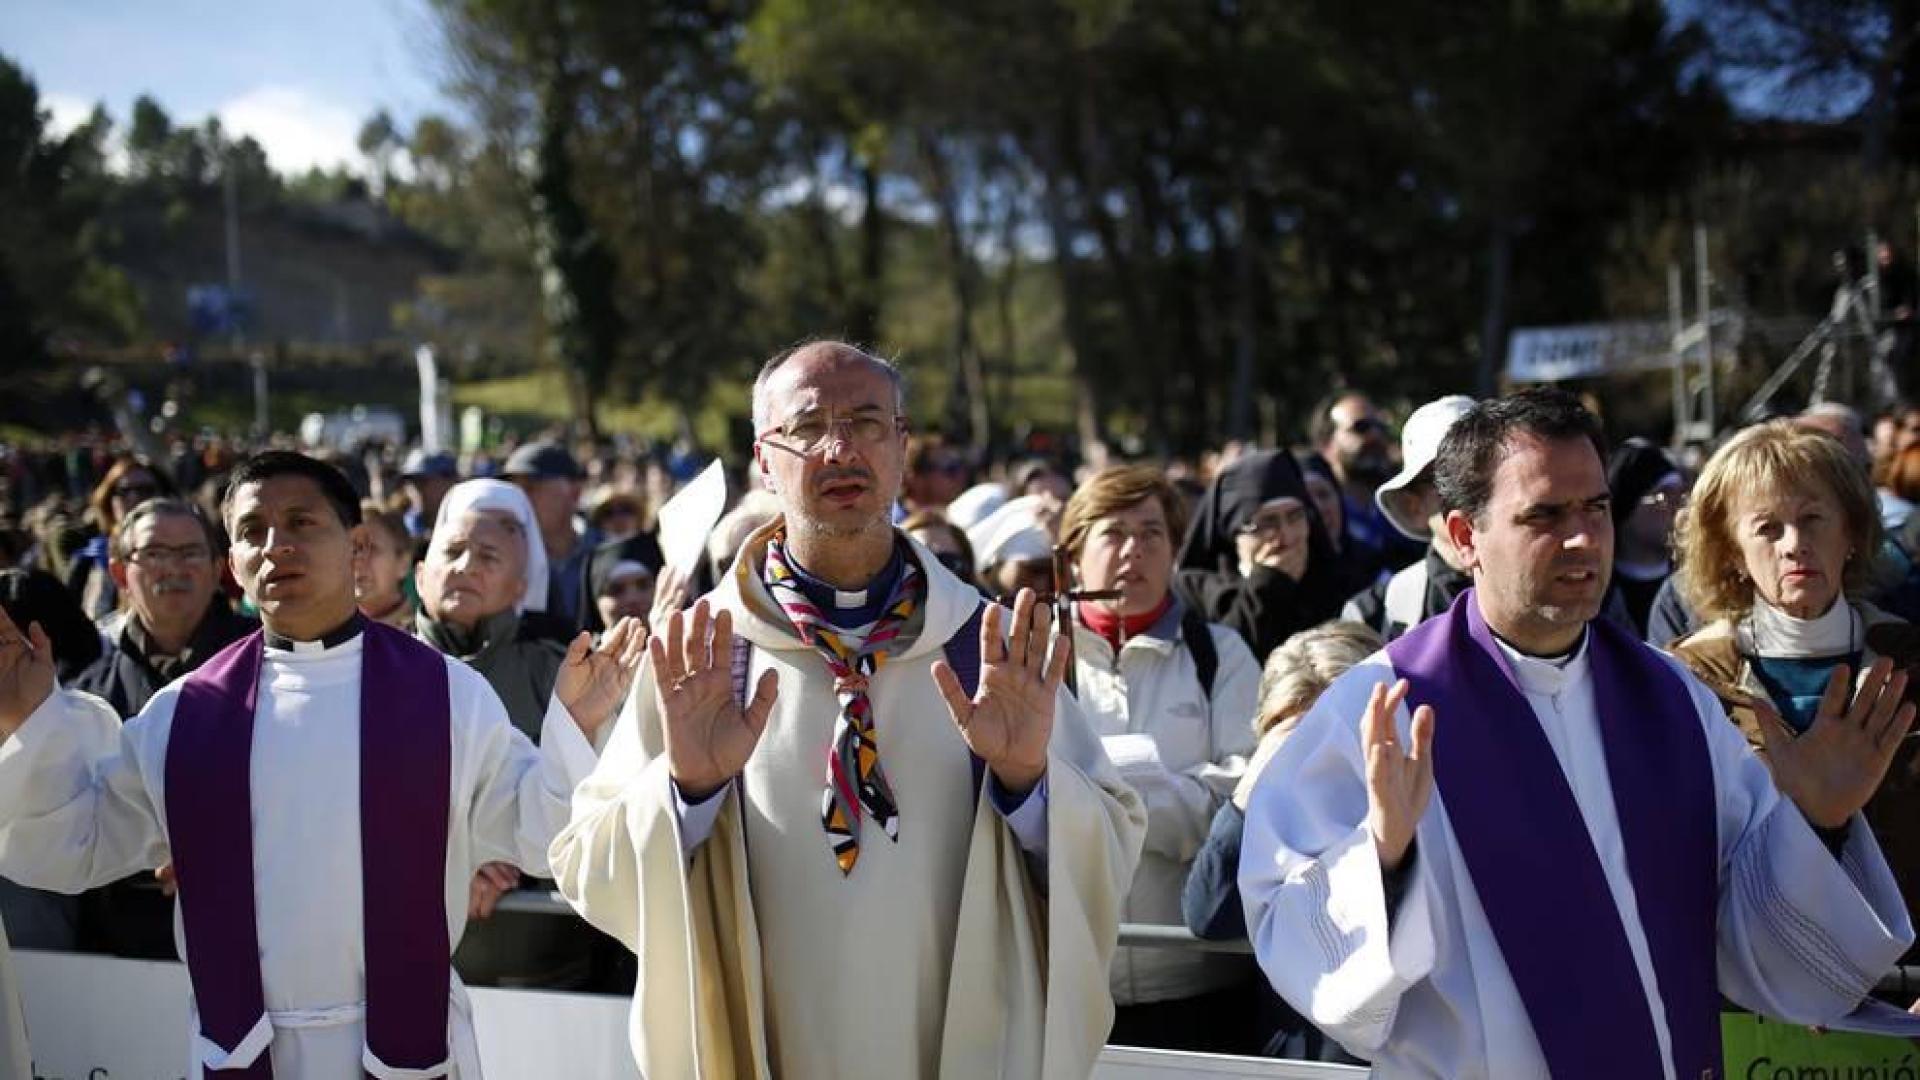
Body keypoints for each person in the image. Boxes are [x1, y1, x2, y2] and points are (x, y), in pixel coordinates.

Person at [1241, 388, 1918, 1077]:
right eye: (1544, 514)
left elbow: (1756, 952)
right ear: (1463, 537)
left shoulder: (1673, 697)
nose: (1582, 538)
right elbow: (1288, 934)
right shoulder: (1379, 707)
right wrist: (1382, 859)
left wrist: (1816, 822)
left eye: (1595, 508)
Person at [549, 341, 1145, 1079]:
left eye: (867, 423)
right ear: (764, 460)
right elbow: (588, 867)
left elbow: (1113, 852)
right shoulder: (707, 650)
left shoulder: (979, 643)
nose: (839, 448)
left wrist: (1029, 784)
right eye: (807, 427)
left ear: (900, 449)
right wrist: (686, 794)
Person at [0, 450, 641, 1077]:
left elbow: (538, 826)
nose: (276, 544)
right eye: (252, 531)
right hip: (243, 1049)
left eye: (302, 523)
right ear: (234, 565)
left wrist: (578, 725)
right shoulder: (188, 712)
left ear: (357, 547)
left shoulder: (446, 693)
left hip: (409, 1048)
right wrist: (32, 724)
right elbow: (73, 844)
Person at [1668, 420, 1920, 959]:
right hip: (1755, 988)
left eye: (1812, 520)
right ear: (1731, 552)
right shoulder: (1687, 680)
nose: (1795, 545)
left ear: (1851, 534)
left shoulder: (1910, 661)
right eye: (1767, 529)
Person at [1055, 465, 1262, 1052]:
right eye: (1113, 533)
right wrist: (1166, 788)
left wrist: (1097, 788)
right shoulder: (1034, 655)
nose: (1134, 551)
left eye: (1152, 534)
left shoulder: (1222, 655)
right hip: (1065, 979)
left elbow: (1236, 804)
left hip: (1195, 978)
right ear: (1074, 554)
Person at [1183, 620, 1380, 1063]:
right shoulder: (1271, 806)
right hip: (1294, 1055)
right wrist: (1251, 786)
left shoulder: (1411, 793)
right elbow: (1208, 914)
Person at [68, 499, 256, 959]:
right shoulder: (86, 694)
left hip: (256, 933)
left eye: (191, 553)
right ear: (118, 573)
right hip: (121, 949)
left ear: (219, 570)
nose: (174, 567)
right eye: (153, 554)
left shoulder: (273, 664)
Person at [1175, 449, 1346, 660]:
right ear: (1234, 534)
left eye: (1295, 516)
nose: (1286, 535)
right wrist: (1267, 584)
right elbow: (1230, 656)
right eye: (1267, 522)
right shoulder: (1193, 590)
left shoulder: (1337, 580)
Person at [1341, 397, 1477, 641]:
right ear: (1412, 506)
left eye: (1488, 472)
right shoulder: (1375, 615)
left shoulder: (1554, 594)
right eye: (1449, 478)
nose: (1476, 490)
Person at [1311, 392, 1420, 572]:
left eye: (1381, 427)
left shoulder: (1404, 504)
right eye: (1361, 427)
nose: (1375, 435)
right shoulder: (1318, 515)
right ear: (1326, 444)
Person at [68, 455, 178, 624]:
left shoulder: (183, 554)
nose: (134, 498)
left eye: (145, 490)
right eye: (124, 491)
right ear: (109, 501)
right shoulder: (88, 561)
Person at [503, 440, 596, 628]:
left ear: (575, 492)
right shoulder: (505, 560)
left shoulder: (609, 553)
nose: (520, 500)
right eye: (514, 490)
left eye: (531, 488)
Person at [1605, 438, 1685, 638]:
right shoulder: (1596, 595)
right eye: (1664, 496)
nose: (1679, 509)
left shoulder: (1695, 587)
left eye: (1681, 496)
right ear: (1627, 506)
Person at [354, 502, 419, 632]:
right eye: (352, 550)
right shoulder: (324, 633)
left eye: (371, 549)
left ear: (403, 563)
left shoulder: (425, 636)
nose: (357, 561)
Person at [400, 448, 460, 541]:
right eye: (411, 482)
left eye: (423, 481)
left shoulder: (468, 524)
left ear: (450, 482)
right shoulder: (401, 529)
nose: (416, 489)